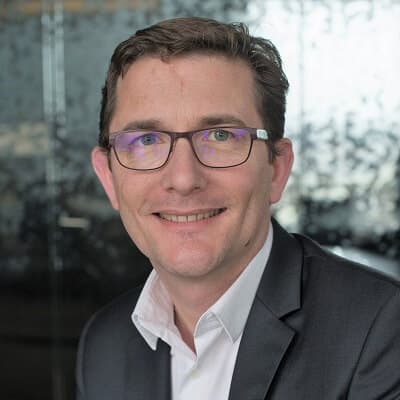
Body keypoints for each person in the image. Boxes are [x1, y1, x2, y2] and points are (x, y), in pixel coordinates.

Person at [76, 17, 400, 400]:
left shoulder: (380, 331)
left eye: (220, 135)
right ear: (108, 176)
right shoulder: (104, 345)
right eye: (147, 139)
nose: (184, 178)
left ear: (276, 169)